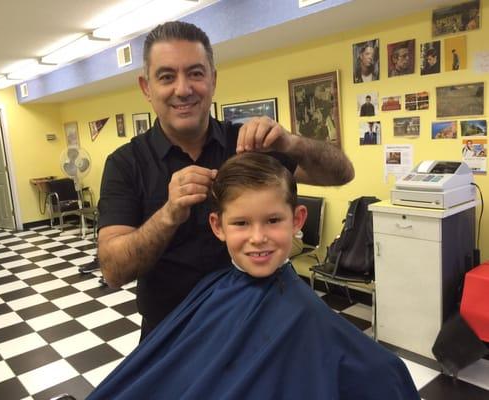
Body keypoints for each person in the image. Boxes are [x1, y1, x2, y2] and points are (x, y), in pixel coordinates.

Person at [87, 152, 419, 400]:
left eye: (273, 220)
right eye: (242, 223)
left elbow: (385, 376)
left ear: (297, 219)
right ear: (218, 227)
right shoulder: (211, 290)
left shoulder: (305, 316)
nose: (258, 237)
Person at [97, 21, 355, 339]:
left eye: (195, 73)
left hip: (257, 327)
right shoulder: (126, 164)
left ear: (213, 79)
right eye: (166, 76)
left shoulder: (252, 146)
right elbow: (112, 270)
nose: (183, 89)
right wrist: (168, 215)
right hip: (171, 337)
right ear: (146, 87)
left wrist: (292, 143)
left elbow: (342, 173)